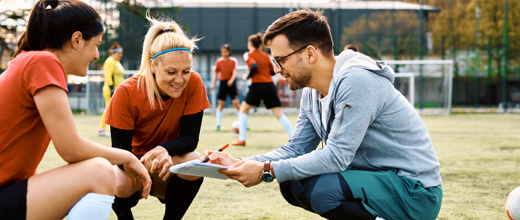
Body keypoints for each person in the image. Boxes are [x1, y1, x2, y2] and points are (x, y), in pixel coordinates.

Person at [204, 8, 442, 220]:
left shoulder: (356, 80)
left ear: (309, 53)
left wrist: (267, 170)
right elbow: (294, 150)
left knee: (325, 191)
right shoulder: (311, 92)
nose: (276, 70)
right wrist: (245, 162)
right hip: (376, 181)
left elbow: (337, 156)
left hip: (416, 192)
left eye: (280, 60)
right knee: (292, 185)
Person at [0, 0, 151, 219]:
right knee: (100, 171)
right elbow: (70, 149)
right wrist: (127, 157)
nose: (98, 55)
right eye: (97, 44)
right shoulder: (43, 62)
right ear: (77, 40)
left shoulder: (28, 59)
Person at [105, 15, 210, 220]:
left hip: (168, 166)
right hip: (133, 167)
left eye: (186, 71)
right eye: (171, 72)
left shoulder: (194, 83)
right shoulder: (126, 92)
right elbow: (120, 152)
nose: (180, 80)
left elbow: (190, 138)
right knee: (115, 180)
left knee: (196, 162)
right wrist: (146, 164)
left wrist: (165, 150)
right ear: (153, 66)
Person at [231, 33, 293, 146]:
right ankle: (293, 138)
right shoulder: (265, 55)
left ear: (250, 44)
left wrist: (247, 76)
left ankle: (242, 139)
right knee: (279, 113)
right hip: (269, 85)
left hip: (258, 85)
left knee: (243, 109)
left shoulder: (248, 54)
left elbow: (253, 66)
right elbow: (272, 70)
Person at [210, 43, 240, 131]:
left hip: (231, 84)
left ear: (229, 52)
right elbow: (216, 73)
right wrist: (213, 83)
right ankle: (218, 125)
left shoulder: (234, 60)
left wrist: (231, 80)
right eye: (222, 51)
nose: (224, 53)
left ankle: (243, 124)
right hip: (223, 83)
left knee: (236, 103)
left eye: (226, 51)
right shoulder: (219, 61)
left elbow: (235, 72)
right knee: (221, 104)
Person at [98, 42, 125, 136]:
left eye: (121, 53)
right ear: (112, 53)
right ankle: (101, 129)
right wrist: (111, 89)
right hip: (111, 89)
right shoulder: (110, 61)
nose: (120, 55)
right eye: (118, 53)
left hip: (117, 89)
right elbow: (108, 76)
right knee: (109, 108)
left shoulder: (116, 62)